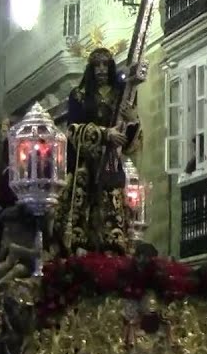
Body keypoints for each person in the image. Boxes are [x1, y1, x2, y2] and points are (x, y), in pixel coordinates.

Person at [52, 47, 142, 256]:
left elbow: (130, 144)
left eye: (105, 65)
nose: (101, 69)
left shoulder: (123, 95)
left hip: (111, 163)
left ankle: (112, 250)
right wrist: (103, 134)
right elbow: (72, 130)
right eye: (96, 65)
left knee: (112, 211)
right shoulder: (79, 96)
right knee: (81, 213)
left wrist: (133, 120)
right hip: (85, 165)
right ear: (90, 69)